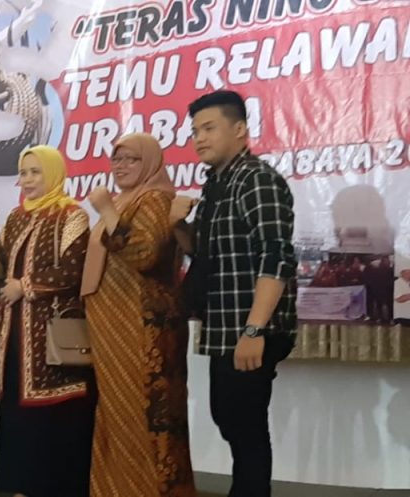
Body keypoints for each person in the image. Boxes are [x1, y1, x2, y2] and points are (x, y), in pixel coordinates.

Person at [173, 90, 297, 497]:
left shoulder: (256, 179)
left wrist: (255, 330)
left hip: (251, 327)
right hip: (225, 325)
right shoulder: (216, 184)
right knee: (229, 418)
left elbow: (276, 256)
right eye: (195, 131)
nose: (199, 139)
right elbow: (204, 252)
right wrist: (178, 225)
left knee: (245, 426)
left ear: (240, 129)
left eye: (209, 128)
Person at [81, 133, 195, 497]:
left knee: (142, 417)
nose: (121, 166)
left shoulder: (156, 199)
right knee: (115, 418)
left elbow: (144, 254)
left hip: (142, 329)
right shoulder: (124, 200)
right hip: (112, 329)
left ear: (150, 163)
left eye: (131, 159)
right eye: (117, 159)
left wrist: (107, 212)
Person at [0, 145, 95, 497]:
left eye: (35, 172)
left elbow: (73, 271)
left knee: (55, 416)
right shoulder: (16, 217)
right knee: (19, 412)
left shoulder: (72, 216)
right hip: (16, 333)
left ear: (53, 173)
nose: (27, 180)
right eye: (23, 172)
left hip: (52, 335)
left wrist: (25, 286)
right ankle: (22, 486)